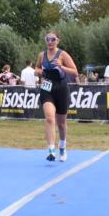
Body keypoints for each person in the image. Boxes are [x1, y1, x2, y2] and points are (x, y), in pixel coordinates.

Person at [35, 30, 78, 162]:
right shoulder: (42, 55)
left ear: (58, 41)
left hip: (61, 88)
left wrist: (61, 67)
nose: (50, 42)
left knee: (61, 124)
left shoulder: (62, 54)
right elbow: (36, 69)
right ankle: (51, 150)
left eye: (53, 39)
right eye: (47, 39)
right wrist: (40, 72)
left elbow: (75, 72)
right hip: (47, 88)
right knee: (49, 118)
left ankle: (62, 146)